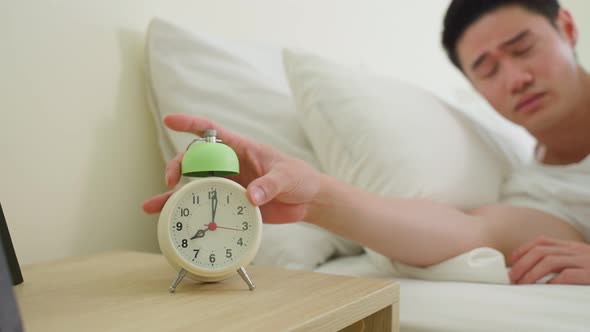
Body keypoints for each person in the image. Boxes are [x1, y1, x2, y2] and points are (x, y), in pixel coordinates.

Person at [143, 0, 590, 285]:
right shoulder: (533, 189)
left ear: (567, 28)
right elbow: (468, 231)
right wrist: (315, 195)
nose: (516, 78)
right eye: (487, 69)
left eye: (523, 47)